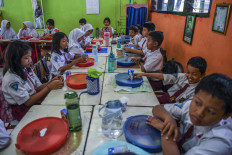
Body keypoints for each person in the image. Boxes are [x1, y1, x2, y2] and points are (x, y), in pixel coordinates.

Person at [147, 73, 232, 155]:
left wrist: (166, 131)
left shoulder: (221, 141)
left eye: (210, 111)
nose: (199, 113)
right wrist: (168, 118)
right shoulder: (189, 104)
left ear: (226, 115)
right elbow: (158, 108)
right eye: (198, 103)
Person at [2, 41, 64, 122]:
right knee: (51, 115)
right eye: (26, 58)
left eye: (30, 57)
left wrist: (52, 80)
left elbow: (38, 87)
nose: (30, 60)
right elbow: (27, 102)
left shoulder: (26, 68)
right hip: (23, 109)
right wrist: (49, 87)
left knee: (57, 102)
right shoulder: (12, 79)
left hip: (34, 98)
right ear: (15, 59)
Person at [135, 56, 207, 103]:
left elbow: (182, 109)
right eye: (188, 72)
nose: (190, 76)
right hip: (166, 97)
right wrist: (144, 74)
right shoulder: (183, 77)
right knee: (141, 99)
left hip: (173, 108)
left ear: (202, 75)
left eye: (194, 74)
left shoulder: (197, 92)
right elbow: (163, 76)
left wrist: (161, 106)